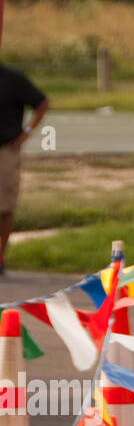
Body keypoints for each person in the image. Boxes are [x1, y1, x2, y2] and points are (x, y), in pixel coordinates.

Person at [0, 64, 49, 276]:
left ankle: (0, 257)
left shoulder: (12, 79)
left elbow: (42, 102)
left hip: (5, 150)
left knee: (4, 206)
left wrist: (26, 133)